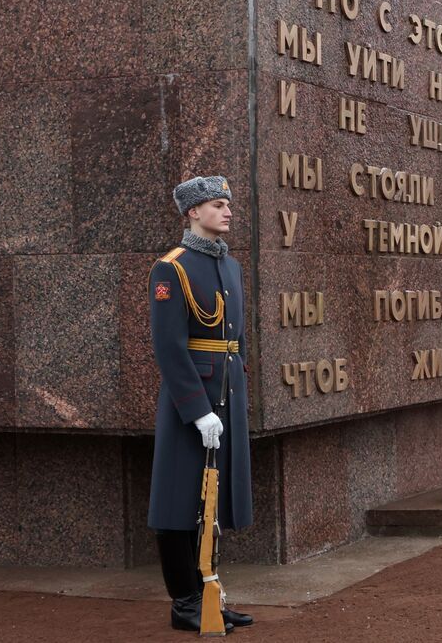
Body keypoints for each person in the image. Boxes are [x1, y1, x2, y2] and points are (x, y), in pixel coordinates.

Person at [148, 176, 254, 631]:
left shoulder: (230, 267)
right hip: (190, 402)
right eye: (217, 204)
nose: (228, 210)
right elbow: (169, 347)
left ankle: (209, 590)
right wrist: (197, 409)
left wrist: (236, 386)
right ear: (192, 212)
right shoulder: (171, 268)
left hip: (227, 395)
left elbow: (236, 339)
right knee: (179, 502)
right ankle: (185, 602)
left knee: (212, 501)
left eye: (228, 203)